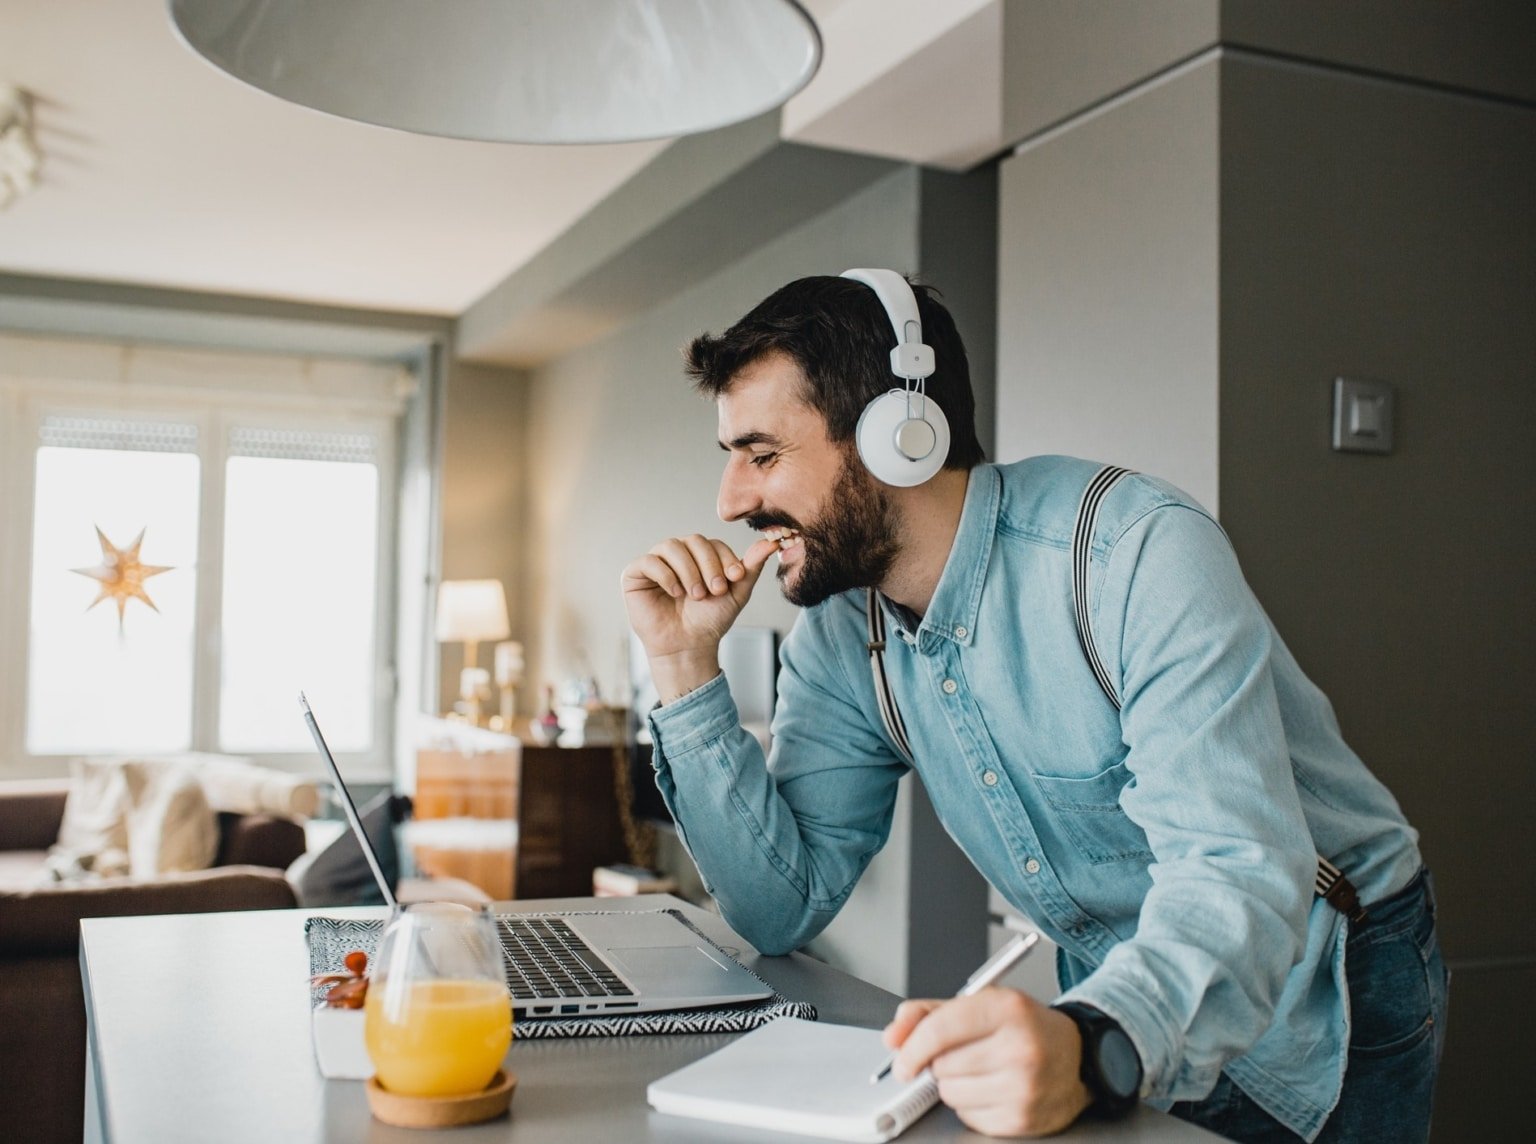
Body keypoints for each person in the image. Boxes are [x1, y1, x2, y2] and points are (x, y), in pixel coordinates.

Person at [620, 272, 1445, 1142]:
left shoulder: (1134, 551)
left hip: (1323, 964)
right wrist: (682, 664)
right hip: (1122, 987)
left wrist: (1092, 1043)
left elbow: (1235, 864)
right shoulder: (843, 632)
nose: (730, 503)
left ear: (899, 436)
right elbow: (779, 908)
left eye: (761, 455)